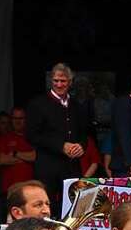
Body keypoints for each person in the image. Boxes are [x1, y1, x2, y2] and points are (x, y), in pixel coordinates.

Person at [26, 63, 94, 215]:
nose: (59, 84)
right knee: (45, 204)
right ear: (51, 81)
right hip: (47, 166)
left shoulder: (77, 106)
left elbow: (84, 133)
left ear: (70, 82)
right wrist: (60, 146)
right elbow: (32, 135)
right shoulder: (38, 104)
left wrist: (81, 146)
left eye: (63, 81)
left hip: (71, 166)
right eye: (56, 80)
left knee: (72, 205)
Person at [0, 106, 36, 201]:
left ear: (26, 119)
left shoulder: (32, 137)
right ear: (11, 119)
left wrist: (15, 153)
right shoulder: (5, 138)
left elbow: (34, 157)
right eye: (15, 118)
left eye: (21, 118)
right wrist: (25, 157)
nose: (18, 121)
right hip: (10, 189)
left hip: (30, 189)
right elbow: (2, 160)